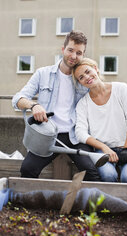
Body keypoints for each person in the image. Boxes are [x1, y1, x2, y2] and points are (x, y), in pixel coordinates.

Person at [12, 31, 101, 181]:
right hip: (47, 136)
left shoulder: (83, 78)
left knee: (92, 173)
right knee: (27, 169)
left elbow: (102, 99)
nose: (73, 56)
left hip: (75, 136)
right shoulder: (43, 74)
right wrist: (34, 106)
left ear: (83, 55)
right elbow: (17, 99)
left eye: (79, 53)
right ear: (63, 49)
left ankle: (91, 205)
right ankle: (30, 202)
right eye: (70, 50)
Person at [72, 58, 127, 183]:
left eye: (88, 71)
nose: (87, 77)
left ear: (95, 68)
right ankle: (110, 203)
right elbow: (80, 133)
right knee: (108, 176)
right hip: (103, 151)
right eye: (81, 77)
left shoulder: (121, 89)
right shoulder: (83, 104)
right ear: (80, 83)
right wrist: (104, 147)